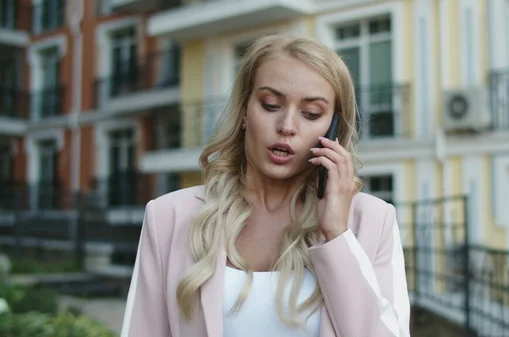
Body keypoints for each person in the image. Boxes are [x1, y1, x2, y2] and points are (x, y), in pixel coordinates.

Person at [120, 34, 411, 337]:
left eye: (311, 113)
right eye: (271, 105)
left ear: (333, 129)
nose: (287, 126)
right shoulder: (168, 217)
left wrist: (337, 235)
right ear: (245, 110)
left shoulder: (373, 222)